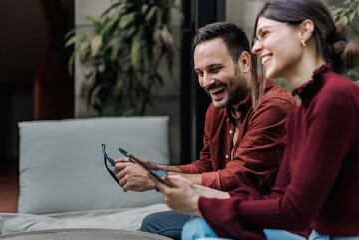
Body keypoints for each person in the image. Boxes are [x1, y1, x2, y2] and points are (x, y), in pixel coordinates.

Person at [150, 0, 359, 239]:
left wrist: (201, 204)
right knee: (196, 226)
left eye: (265, 34)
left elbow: (296, 211)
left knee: (198, 228)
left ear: (304, 31)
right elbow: (279, 199)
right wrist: (193, 191)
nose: (257, 48)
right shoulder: (300, 114)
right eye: (256, 39)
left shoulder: (336, 97)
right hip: (311, 233)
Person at [114, 22, 297, 239]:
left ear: (245, 62)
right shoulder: (217, 108)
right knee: (153, 223)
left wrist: (157, 178)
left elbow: (238, 179)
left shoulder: (275, 106)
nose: (206, 82)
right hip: (228, 212)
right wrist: (156, 168)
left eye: (215, 69)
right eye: (200, 73)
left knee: (175, 228)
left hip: (270, 220)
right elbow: (207, 165)